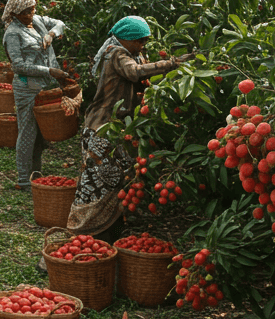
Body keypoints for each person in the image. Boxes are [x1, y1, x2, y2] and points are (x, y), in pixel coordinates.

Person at [67, 16, 187, 239]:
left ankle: (108, 234)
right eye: (139, 41)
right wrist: (172, 63)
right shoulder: (116, 53)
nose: (142, 46)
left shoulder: (134, 54)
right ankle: (81, 236)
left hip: (121, 130)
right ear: (125, 38)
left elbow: (145, 76)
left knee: (117, 183)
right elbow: (135, 72)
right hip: (102, 128)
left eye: (144, 42)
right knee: (95, 185)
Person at [1, 0, 76, 191]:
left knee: (40, 134)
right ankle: (24, 179)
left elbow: (61, 24)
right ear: (14, 13)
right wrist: (49, 71)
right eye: (25, 12)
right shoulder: (13, 33)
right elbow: (17, 66)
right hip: (27, 88)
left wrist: (51, 33)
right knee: (27, 132)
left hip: (45, 86)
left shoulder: (38, 20)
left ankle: (36, 172)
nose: (29, 15)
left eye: (32, 10)